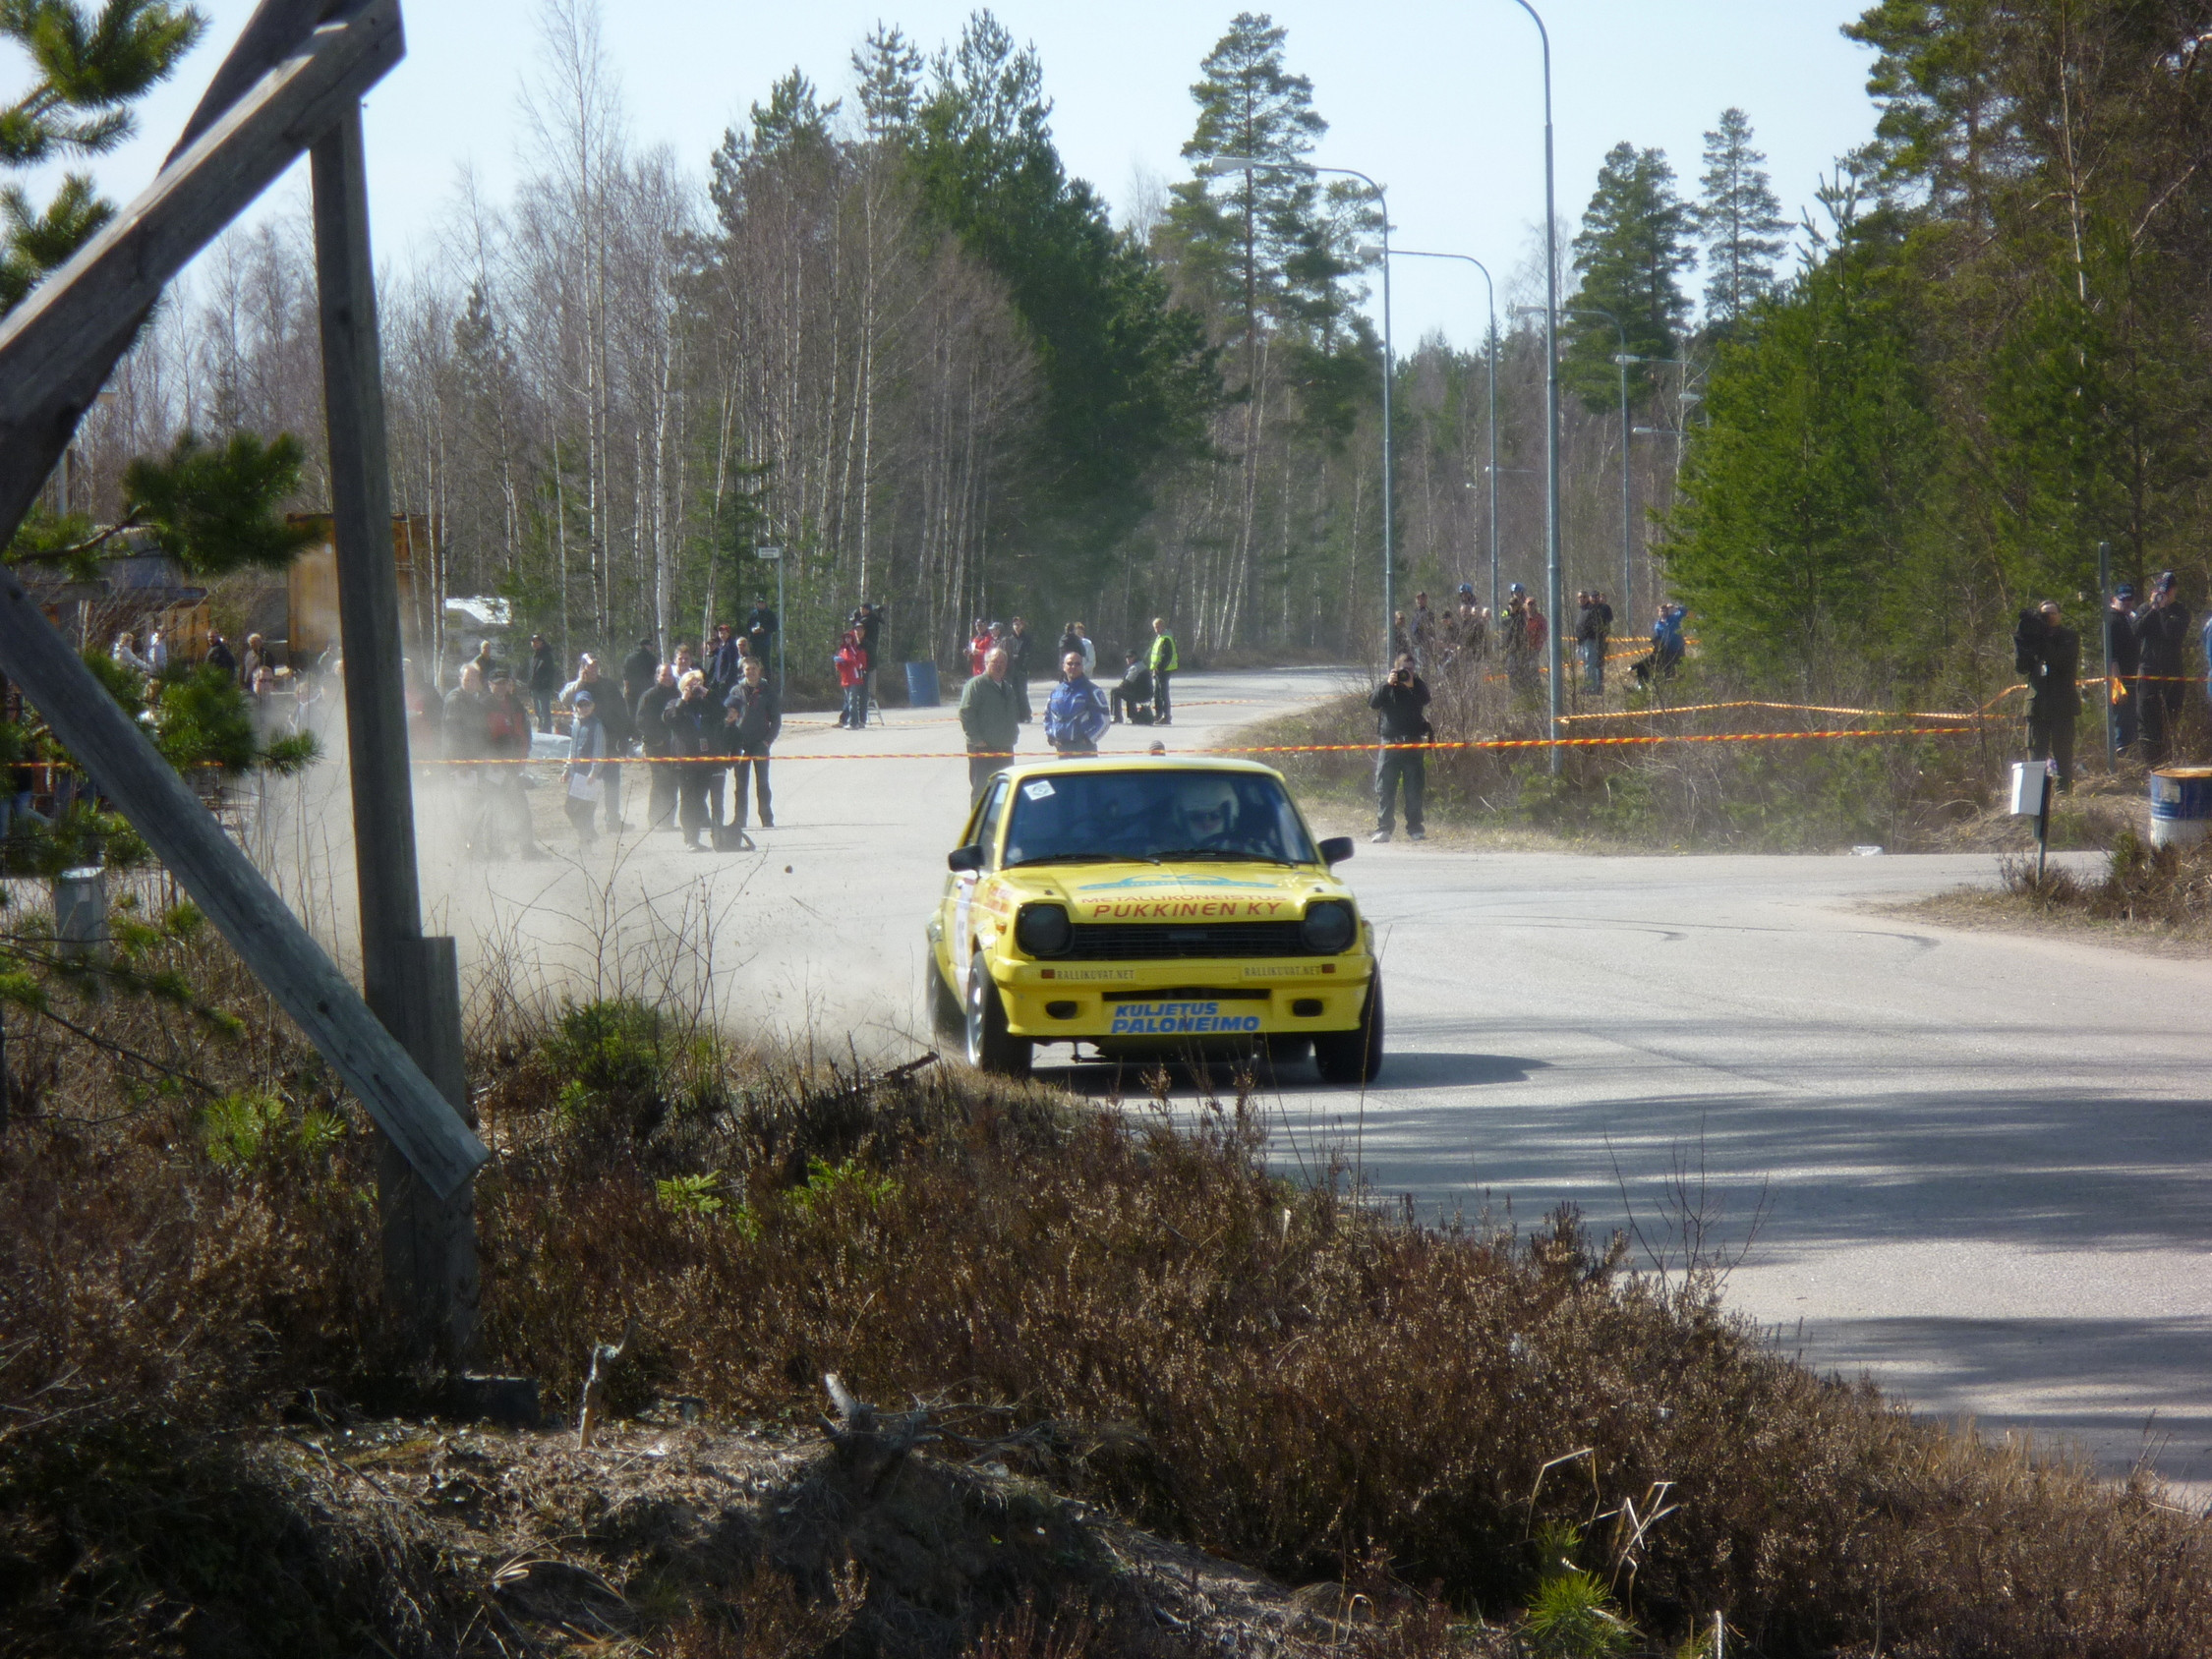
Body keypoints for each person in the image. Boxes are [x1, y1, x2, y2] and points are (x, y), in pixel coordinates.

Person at [1368, 652, 1432, 844]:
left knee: (1413, 788)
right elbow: (1372, 703)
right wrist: (1386, 684)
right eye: (1404, 670)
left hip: (1412, 743)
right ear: (1396, 669)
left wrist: (1412, 686)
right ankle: (1384, 829)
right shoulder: (1388, 686)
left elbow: (1425, 700)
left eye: (1411, 669)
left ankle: (1415, 828)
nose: (1408, 673)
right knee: (1385, 788)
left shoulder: (1418, 685)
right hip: (1390, 744)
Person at [481, 665, 542, 858]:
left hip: (514, 765)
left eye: (504, 684)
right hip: (494, 767)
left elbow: (525, 732)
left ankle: (527, 848)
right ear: (489, 685)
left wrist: (524, 755)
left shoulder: (516, 704)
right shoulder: (483, 706)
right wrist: (490, 760)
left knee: (520, 807)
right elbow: (479, 738)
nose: (500, 688)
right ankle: (495, 850)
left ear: (509, 685)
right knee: (494, 808)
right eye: (497, 684)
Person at [2021, 600, 2081, 792]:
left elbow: (2060, 660)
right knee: (2035, 749)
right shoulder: (2033, 638)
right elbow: (2021, 666)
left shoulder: (2069, 637)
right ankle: (2034, 792)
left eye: (2053, 613)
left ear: (2060, 615)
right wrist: (2024, 637)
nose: (2049, 617)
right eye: (2044, 614)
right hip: (2037, 703)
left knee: (2063, 749)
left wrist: (2043, 639)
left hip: (2062, 703)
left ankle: (2064, 789)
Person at [721, 655, 781, 837]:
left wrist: (767, 741)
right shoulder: (736, 691)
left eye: (753, 669)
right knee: (740, 785)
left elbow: (776, 721)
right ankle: (740, 819)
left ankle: (767, 819)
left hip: (760, 744)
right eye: (747, 669)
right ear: (743, 671)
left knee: (762, 783)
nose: (751, 672)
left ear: (759, 669)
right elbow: (728, 717)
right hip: (740, 744)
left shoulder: (768, 692)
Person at [2135, 571, 2191, 767]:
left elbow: (2172, 633)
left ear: (2174, 591)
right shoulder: (2145, 609)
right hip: (2149, 672)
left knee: (2169, 721)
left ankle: (2167, 764)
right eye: (2161, 590)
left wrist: (2163, 610)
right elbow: (2136, 631)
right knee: (2147, 722)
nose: (2164, 594)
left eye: (2167, 591)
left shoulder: (2180, 612)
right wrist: (2153, 609)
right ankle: (2150, 766)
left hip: (2172, 673)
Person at [661, 668, 720, 851]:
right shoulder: (674, 703)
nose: (694, 688)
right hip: (684, 761)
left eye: (697, 684)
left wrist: (707, 694)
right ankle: (690, 839)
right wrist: (683, 701)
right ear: (683, 686)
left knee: (699, 799)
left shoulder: (704, 704)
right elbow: (668, 719)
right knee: (688, 800)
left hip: (704, 760)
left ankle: (697, 837)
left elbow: (722, 712)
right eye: (690, 685)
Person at [960, 645, 1023, 800]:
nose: (999, 665)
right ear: (986, 663)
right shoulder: (976, 685)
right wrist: (976, 740)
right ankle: (978, 824)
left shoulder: (1007, 687)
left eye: (1002, 662)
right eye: (995, 662)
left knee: (1004, 791)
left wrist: (1013, 734)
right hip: (983, 749)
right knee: (982, 791)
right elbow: (966, 713)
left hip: (1005, 746)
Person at [636, 661, 681, 830]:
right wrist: (656, 739)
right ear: (657, 677)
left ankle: (668, 821)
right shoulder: (649, 696)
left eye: (670, 675)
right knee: (660, 782)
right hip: (656, 746)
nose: (667, 678)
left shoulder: (678, 693)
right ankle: (655, 819)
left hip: (675, 747)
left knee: (673, 783)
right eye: (664, 675)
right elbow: (641, 721)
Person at [563, 688, 609, 850]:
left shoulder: (596, 725)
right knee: (569, 808)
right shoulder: (576, 724)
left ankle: (585, 846)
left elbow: (599, 749)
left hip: (590, 776)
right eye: (581, 705)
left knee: (586, 811)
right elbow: (572, 747)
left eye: (587, 704)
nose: (584, 708)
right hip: (576, 775)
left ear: (593, 706)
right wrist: (567, 768)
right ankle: (589, 833)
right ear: (576, 707)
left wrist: (594, 771)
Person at [1044, 650, 1109, 756]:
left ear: (1082, 666)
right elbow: (1047, 717)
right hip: (1062, 749)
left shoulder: (1092, 691)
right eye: (1070, 663)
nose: (1073, 667)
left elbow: (1104, 721)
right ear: (1063, 666)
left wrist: (1088, 739)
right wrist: (1051, 737)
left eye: (1077, 664)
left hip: (1084, 749)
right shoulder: (1056, 692)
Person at [2106, 585, 2141, 755]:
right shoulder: (2112, 620)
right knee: (2121, 717)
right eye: (2123, 599)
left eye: (2130, 599)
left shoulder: (2129, 619)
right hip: (2119, 676)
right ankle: (2120, 754)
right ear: (2114, 599)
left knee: (2130, 718)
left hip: (2132, 675)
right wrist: (2116, 680)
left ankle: (2129, 751)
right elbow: (2110, 654)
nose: (2127, 603)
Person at [834, 617, 869, 729]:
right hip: (846, 679)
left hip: (855, 678)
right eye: (846, 638)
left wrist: (851, 662)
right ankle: (854, 721)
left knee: (853, 700)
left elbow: (861, 665)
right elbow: (839, 667)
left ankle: (854, 723)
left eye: (849, 637)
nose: (848, 639)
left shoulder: (858, 650)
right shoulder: (842, 651)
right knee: (849, 701)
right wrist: (840, 663)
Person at [1147, 615, 1178, 725]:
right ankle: (1158, 714)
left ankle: (1167, 716)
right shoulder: (1159, 638)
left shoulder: (1166, 639)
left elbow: (1167, 656)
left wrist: (1159, 668)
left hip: (1164, 671)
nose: (1156, 629)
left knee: (1163, 694)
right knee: (1157, 694)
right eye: (1155, 627)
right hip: (1157, 671)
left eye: (1158, 627)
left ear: (1162, 626)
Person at [1110, 651, 1154, 724]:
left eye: (1130, 657)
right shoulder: (1141, 665)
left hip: (1142, 695)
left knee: (1115, 691)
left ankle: (1117, 717)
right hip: (1145, 694)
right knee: (1128, 692)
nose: (1128, 659)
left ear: (1135, 657)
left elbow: (1126, 683)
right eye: (1127, 657)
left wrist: (1119, 688)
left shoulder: (1135, 667)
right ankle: (1133, 716)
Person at [528, 633, 560, 732]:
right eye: (532, 641)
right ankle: (540, 730)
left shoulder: (547, 655)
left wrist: (543, 684)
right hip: (535, 688)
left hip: (544, 689)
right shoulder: (535, 656)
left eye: (536, 641)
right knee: (538, 712)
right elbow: (532, 672)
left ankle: (546, 731)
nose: (534, 643)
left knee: (544, 712)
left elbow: (550, 673)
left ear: (541, 642)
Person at [1006, 615, 1035, 722]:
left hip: (1022, 669)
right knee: (1014, 693)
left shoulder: (1027, 638)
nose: (1016, 627)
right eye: (1015, 625)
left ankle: (1027, 715)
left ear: (1022, 626)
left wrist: (1024, 665)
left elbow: (1029, 654)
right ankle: (1017, 715)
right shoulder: (1009, 639)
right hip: (1012, 669)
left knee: (1022, 692)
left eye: (1018, 624)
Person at [621, 634, 659, 709]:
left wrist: (626, 687)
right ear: (646, 646)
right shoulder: (652, 658)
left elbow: (625, 674)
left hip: (632, 690)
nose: (651, 648)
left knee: (632, 711)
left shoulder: (629, 658)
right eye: (650, 646)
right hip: (648, 689)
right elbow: (656, 675)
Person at [705, 621, 743, 696]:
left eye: (724, 633)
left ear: (728, 634)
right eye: (720, 633)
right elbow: (718, 665)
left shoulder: (731, 645)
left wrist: (726, 679)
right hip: (719, 680)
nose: (722, 635)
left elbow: (731, 664)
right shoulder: (722, 646)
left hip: (727, 681)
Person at [744, 597, 779, 668]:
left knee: (765, 663)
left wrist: (764, 629)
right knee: (753, 661)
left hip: (765, 642)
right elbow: (748, 626)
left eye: (762, 603)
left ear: (765, 604)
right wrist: (752, 630)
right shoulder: (753, 614)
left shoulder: (770, 614)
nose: (761, 604)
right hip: (754, 641)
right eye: (759, 603)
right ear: (756, 604)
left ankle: (767, 679)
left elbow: (775, 627)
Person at [1409, 593, 1435, 671]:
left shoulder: (1428, 613)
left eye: (1422, 599)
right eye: (1418, 599)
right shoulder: (1415, 613)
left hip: (1423, 644)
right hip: (1414, 644)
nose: (1420, 601)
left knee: (1422, 667)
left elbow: (1430, 629)